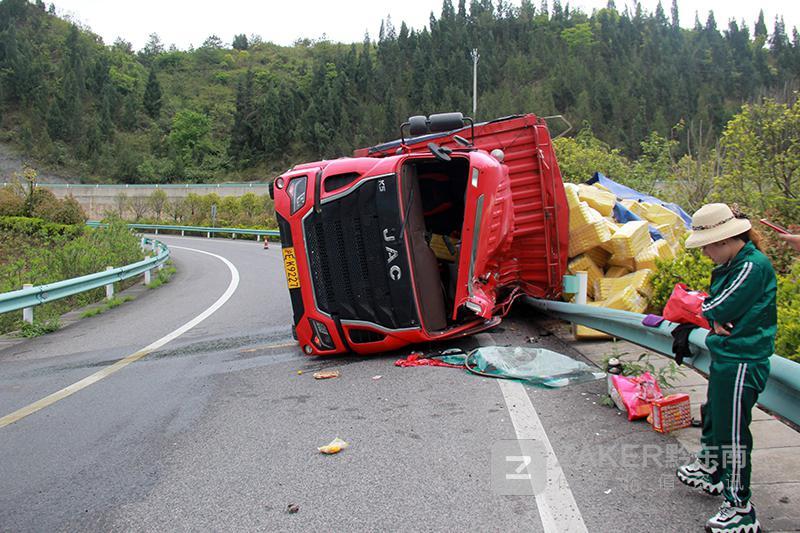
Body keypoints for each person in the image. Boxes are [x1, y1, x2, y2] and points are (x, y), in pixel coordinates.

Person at [675, 203, 776, 533]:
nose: (704, 252)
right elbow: (715, 308)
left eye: (707, 245)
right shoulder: (737, 264)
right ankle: (714, 472)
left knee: (733, 433)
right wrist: (713, 315)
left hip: (742, 359)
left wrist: (711, 313)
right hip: (730, 355)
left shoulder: (751, 267)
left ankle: (740, 506)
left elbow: (715, 304)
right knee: (716, 416)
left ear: (724, 240)